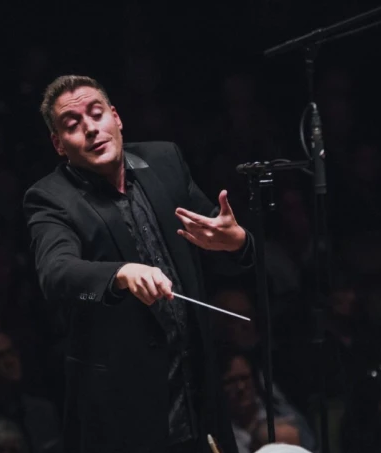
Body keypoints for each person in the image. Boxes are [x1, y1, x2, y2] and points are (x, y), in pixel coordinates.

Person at [23, 75, 255, 453]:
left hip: (197, 392)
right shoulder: (51, 197)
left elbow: (217, 230)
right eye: (72, 124)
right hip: (125, 409)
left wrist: (237, 241)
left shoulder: (164, 161)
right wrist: (119, 273)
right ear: (58, 144)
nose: (90, 128)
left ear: (116, 117)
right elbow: (56, 272)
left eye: (96, 113)